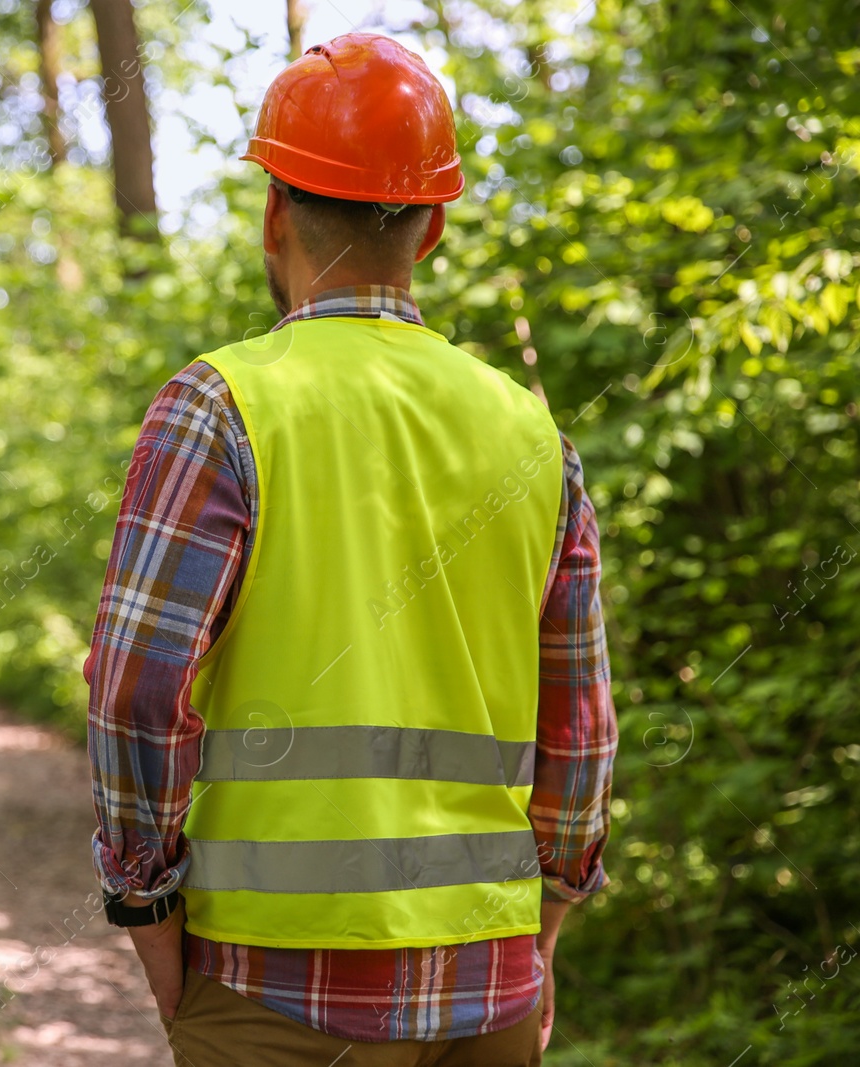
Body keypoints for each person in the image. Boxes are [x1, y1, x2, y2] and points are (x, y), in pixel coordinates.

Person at [84, 33, 617, 1067]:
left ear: (275, 210)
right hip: (490, 984)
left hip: (273, 989)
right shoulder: (530, 433)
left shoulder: (222, 403)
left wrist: (144, 908)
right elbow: (582, 724)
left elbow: (134, 691)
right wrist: (543, 926)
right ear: (434, 227)